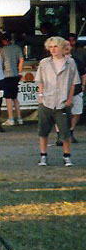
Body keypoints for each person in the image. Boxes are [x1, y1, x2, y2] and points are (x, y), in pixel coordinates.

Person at [35, 36, 79, 166]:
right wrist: (41, 95)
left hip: (63, 102)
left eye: (55, 46)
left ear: (61, 48)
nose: (53, 49)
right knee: (43, 130)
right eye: (50, 47)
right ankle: (43, 155)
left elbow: (73, 83)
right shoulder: (44, 63)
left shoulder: (70, 63)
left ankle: (67, 156)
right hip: (47, 101)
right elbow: (40, 80)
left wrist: (70, 99)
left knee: (65, 132)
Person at [0, 33, 24, 126]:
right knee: (15, 98)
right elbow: (22, 59)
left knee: (8, 98)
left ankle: (11, 118)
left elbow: (1, 64)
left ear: (4, 41)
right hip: (16, 75)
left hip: (7, 75)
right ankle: (19, 118)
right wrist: (20, 71)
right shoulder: (17, 48)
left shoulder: (3, 50)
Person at [66, 38, 85, 143]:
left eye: (68, 45)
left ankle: (71, 131)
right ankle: (61, 134)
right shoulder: (53, 62)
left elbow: (83, 73)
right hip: (62, 91)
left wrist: (83, 85)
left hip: (77, 90)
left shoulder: (76, 60)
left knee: (77, 112)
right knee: (61, 113)